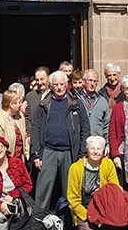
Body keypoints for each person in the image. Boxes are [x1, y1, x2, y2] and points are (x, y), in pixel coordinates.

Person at [31, 71, 91, 210]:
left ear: (67, 85)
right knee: (43, 193)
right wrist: (36, 155)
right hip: (48, 151)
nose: (59, 87)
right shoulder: (43, 105)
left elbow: (85, 129)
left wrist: (82, 153)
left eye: (62, 84)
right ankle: (39, 224)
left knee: (70, 192)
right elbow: (36, 129)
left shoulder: (76, 103)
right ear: (51, 86)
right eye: (56, 84)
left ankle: (70, 225)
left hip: (70, 153)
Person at [67, 136, 124, 230]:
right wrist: (88, 215)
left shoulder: (108, 164)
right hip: (84, 209)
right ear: (87, 150)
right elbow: (72, 199)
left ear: (103, 151)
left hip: (102, 207)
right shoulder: (75, 168)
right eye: (92, 148)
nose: (96, 152)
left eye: (99, 149)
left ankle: (102, 229)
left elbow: (116, 188)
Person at [0, 89, 30, 164]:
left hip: (19, 163)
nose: (21, 104)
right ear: (11, 104)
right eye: (19, 102)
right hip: (2, 163)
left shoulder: (20, 116)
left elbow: (24, 139)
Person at [76, 69, 110, 141]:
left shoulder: (102, 101)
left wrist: (107, 143)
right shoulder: (75, 99)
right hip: (79, 141)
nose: (92, 84)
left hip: (97, 143)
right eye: (90, 80)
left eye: (95, 81)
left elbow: (107, 125)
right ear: (83, 81)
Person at [25, 66, 50, 131]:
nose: (39, 82)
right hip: (35, 134)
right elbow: (27, 118)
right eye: (37, 80)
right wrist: (29, 134)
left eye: (42, 79)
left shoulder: (54, 95)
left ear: (48, 78)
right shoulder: (30, 96)